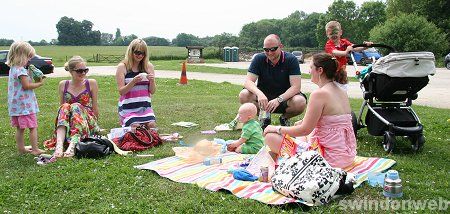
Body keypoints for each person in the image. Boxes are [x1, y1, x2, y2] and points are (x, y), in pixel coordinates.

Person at [264, 53, 357, 169]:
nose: (309, 72)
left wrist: (276, 128)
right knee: (301, 137)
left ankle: (282, 160)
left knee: (270, 136)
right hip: (347, 156)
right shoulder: (341, 91)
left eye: (311, 68)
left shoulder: (319, 94)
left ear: (320, 70)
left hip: (327, 160)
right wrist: (303, 122)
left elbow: (304, 130)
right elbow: (332, 119)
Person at [239, 34, 307, 129]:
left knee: (300, 102)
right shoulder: (259, 59)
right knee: (244, 94)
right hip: (264, 99)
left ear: (281, 47)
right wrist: (259, 94)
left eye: (273, 49)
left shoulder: (291, 60)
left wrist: (279, 99)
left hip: (285, 99)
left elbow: (296, 87)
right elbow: (248, 82)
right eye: (266, 50)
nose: (269, 53)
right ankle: (264, 118)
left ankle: (284, 118)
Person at [43, 56, 100, 158]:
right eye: (79, 71)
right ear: (71, 71)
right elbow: (62, 110)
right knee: (65, 106)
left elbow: (95, 107)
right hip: (70, 121)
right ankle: (59, 146)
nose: (83, 73)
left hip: (86, 121)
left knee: (76, 106)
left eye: (85, 70)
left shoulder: (91, 83)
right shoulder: (63, 85)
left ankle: (73, 145)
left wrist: (95, 126)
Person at [7, 41, 45, 155]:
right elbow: (27, 86)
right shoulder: (21, 70)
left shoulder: (13, 68)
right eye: (28, 57)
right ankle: (35, 149)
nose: (29, 60)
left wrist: (30, 73)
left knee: (20, 128)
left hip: (16, 105)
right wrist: (40, 83)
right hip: (25, 106)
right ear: (21, 56)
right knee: (33, 127)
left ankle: (21, 149)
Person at [116, 39, 156, 130]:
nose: (140, 55)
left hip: (144, 107)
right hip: (128, 108)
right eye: (137, 52)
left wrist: (152, 81)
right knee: (136, 127)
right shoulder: (122, 67)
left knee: (151, 126)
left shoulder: (148, 66)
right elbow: (121, 91)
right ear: (131, 51)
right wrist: (133, 82)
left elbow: (152, 91)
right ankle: (125, 120)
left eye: (143, 53)